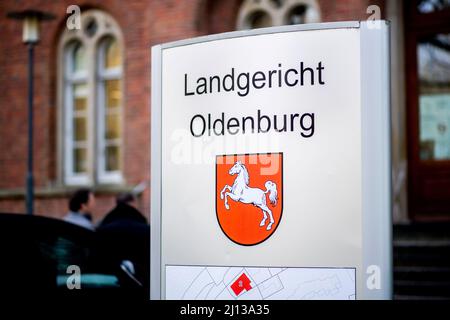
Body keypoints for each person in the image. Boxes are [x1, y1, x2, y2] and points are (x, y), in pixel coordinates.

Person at [95, 192, 150, 291]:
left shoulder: (102, 229)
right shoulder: (145, 228)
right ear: (133, 203)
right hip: (140, 283)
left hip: (109, 283)